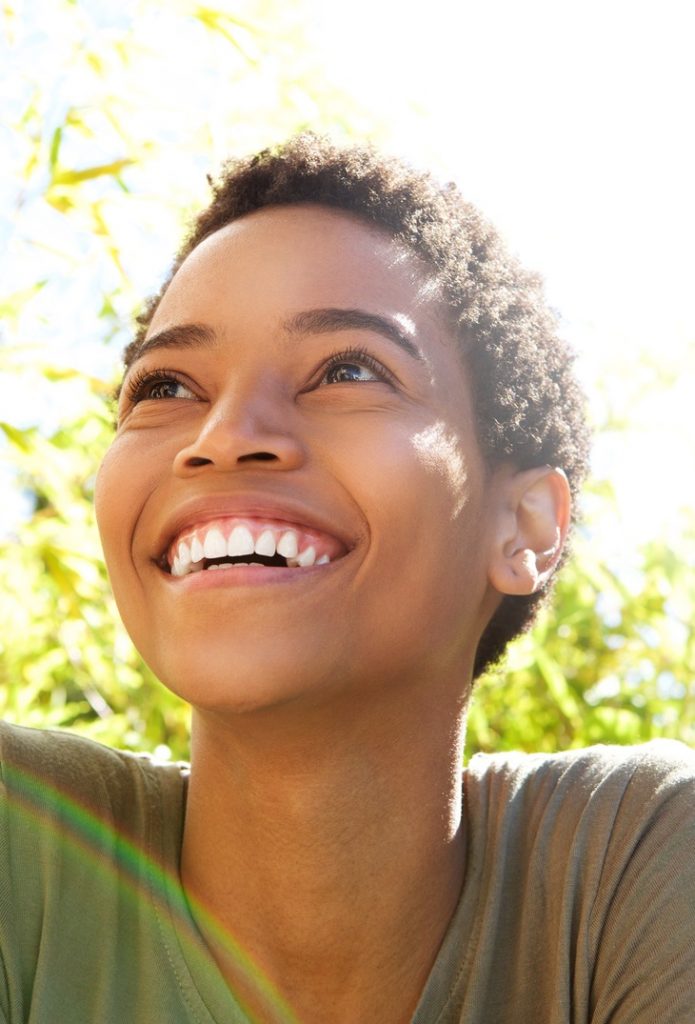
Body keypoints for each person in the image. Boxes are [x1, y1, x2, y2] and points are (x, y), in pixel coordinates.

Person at [1, 134, 693, 1024]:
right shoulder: (21, 847)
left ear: (523, 526)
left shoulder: (629, 864)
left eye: (347, 370)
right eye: (165, 385)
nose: (220, 434)